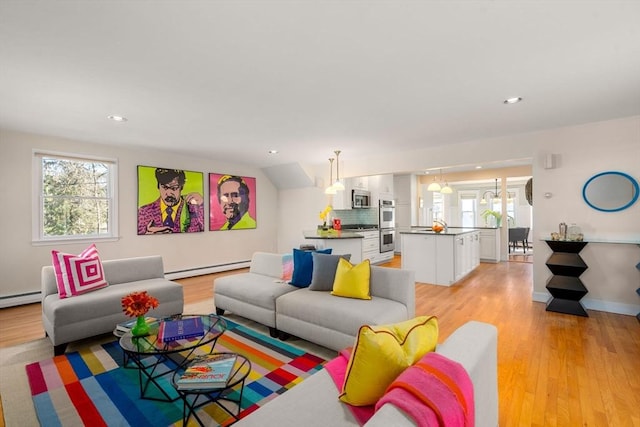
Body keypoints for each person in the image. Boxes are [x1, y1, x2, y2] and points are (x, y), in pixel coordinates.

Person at [137, 168, 204, 234]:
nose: (169, 193)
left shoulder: (195, 209)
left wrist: (203, 205)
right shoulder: (143, 212)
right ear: (158, 186)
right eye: (164, 187)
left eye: (174, 188)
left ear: (182, 187)